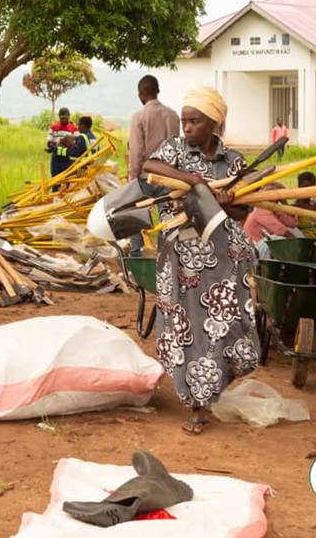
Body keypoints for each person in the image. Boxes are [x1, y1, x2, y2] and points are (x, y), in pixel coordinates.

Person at [143, 85, 259, 436]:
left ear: (215, 123)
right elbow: (149, 166)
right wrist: (190, 181)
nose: (187, 128)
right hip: (182, 255)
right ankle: (196, 403)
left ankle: (210, 388)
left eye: (195, 122)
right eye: (184, 121)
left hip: (224, 257)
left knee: (223, 325)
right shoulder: (175, 150)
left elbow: (242, 211)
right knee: (186, 328)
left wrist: (221, 201)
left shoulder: (233, 160)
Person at [128, 75, 180, 257]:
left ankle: (136, 255)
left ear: (141, 94)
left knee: (137, 217)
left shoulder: (139, 117)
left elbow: (136, 151)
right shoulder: (173, 116)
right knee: (168, 220)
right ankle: (167, 256)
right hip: (169, 177)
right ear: (157, 91)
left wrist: (132, 178)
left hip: (145, 177)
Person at [242, 183, 300, 257]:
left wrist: (284, 203)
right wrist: (298, 244)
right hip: (253, 248)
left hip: (265, 246)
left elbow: (293, 224)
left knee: (293, 230)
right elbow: (282, 231)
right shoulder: (261, 210)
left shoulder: (274, 209)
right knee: (276, 238)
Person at [46, 107, 79, 180]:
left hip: (67, 159)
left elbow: (78, 143)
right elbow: (49, 143)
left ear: (69, 117)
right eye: (62, 118)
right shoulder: (53, 128)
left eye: (66, 118)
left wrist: (71, 145)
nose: (64, 120)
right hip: (56, 159)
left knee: (67, 181)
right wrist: (55, 144)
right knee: (55, 181)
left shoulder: (74, 129)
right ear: (59, 117)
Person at [293, 171, 316, 238]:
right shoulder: (292, 208)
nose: (308, 190)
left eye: (311, 187)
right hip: (303, 241)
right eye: (305, 186)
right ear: (299, 186)